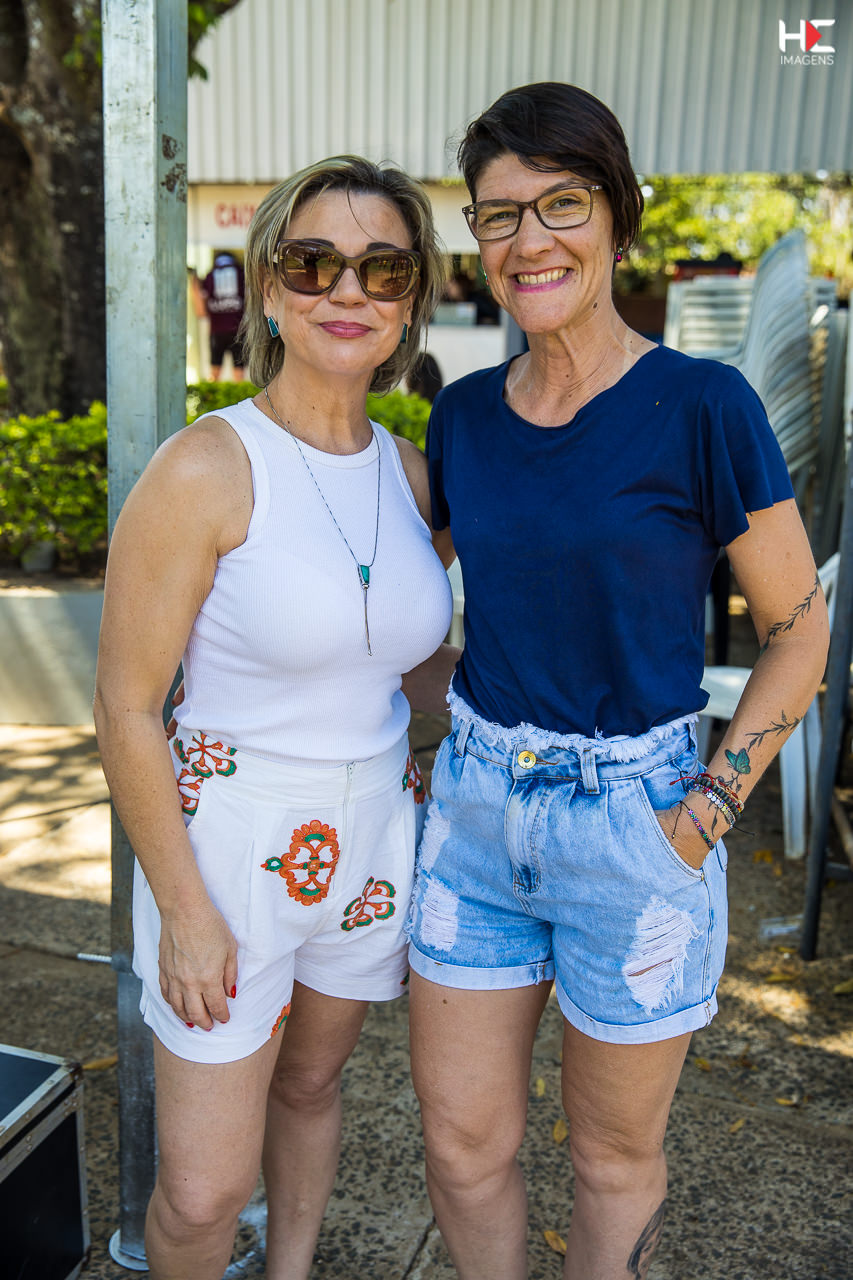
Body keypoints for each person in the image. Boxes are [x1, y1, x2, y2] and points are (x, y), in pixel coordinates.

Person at [406, 83, 830, 1279]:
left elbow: (799, 630)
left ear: (616, 218)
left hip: (638, 827)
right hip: (475, 821)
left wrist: (703, 814)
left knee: (609, 1156)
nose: (528, 239)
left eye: (562, 204)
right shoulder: (465, 418)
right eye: (498, 214)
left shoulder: (702, 406)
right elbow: (400, 607)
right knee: (461, 1145)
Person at [94, 155, 451, 1280]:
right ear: (269, 286)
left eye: (382, 268)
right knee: (202, 1195)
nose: (347, 290)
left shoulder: (411, 473)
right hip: (231, 853)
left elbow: (395, 658)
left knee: (310, 1084)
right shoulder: (205, 466)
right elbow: (126, 704)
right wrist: (182, 909)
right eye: (313, 262)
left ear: (410, 300)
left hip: (373, 835)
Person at [201, 250, 247, 380]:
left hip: (217, 330)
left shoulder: (210, 275)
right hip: (238, 329)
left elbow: (202, 307)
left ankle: (212, 393)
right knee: (239, 372)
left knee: (214, 370)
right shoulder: (241, 273)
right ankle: (238, 392)